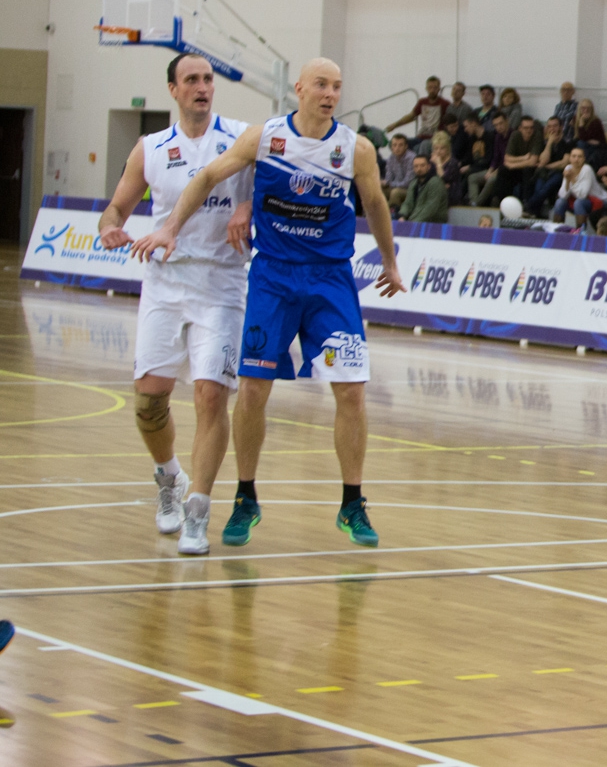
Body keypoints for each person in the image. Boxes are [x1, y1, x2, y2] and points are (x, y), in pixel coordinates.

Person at [132, 58, 405, 549]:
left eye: (337, 87)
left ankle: (352, 502)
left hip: (329, 280)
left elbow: (376, 204)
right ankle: (245, 497)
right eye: (321, 85)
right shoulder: (265, 137)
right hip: (273, 278)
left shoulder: (355, 148)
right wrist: (171, 227)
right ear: (299, 89)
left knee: (351, 391)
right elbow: (209, 176)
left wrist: (389, 261)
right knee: (253, 389)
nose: (330, 94)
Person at [98, 54, 252, 555]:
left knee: (211, 395)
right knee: (148, 402)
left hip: (221, 282)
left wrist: (247, 206)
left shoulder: (242, 137)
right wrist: (109, 227)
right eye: (192, 80)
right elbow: (117, 205)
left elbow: (270, 191)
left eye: (208, 79)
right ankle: (169, 476)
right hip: (164, 282)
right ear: (173, 89)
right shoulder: (151, 147)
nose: (202, 87)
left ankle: (198, 511)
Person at [526, 116, 577, 216]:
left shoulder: (568, 142)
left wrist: (547, 166)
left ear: (561, 127)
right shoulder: (545, 142)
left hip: (561, 173)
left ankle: (528, 207)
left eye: (555, 126)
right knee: (538, 189)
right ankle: (536, 215)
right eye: (549, 126)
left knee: (545, 189)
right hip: (544, 172)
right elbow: (542, 161)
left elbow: (564, 163)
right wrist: (549, 143)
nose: (552, 129)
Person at [385, 75, 450, 145]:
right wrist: (394, 125)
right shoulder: (422, 102)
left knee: (423, 145)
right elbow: (411, 116)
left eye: (435, 88)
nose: (432, 90)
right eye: (430, 87)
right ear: (426, 88)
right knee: (394, 144)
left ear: (439, 89)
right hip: (421, 136)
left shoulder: (445, 104)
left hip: (435, 139)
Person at [550, 147, 601, 228]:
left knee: (578, 203)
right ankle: (556, 229)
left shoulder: (587, 169)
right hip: (575, 200)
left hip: (593, 201)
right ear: (570, 158)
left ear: (584, 159)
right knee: (559, 202)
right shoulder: (568, 168)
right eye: (574, 156)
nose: (576, 159)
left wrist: (572, 180)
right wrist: (567, 181)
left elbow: (582, 195)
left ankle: (580, 231)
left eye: (579, 156)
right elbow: (562, 195)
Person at [469, 112, 512, 205]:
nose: (499, 127)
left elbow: (509, 159)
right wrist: (490, 170)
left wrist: (494, 172)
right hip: (496, 168)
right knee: (472, 178)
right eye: (495, 125)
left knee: (491, 179)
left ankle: (477, 204)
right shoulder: (497, 137)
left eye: (501, 123)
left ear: (507, 121)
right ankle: (473, 201)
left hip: (507, 170)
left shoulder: (513, 136)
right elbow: (495, 157)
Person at [398, 151, 449, 223]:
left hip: (434, 223)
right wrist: (402, 216)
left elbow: (430, 209)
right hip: (415, 220)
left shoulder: (435, 182)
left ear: (428, 167)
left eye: (422, 165)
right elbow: (408, 203)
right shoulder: (413, 183)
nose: (419, 169)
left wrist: (411, 222)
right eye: (416, 166)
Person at [429, 130, 463, 205]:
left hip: (451, 195)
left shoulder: (453, 163)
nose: (438, 151)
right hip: (436, 192)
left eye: (442, 148)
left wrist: (438, 164)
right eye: (436, 148)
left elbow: (445, 178)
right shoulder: (432, 162)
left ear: (448, 148)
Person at [382, 134, 414, 212]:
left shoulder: (411, 158)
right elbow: (389, 177)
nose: (397, 148)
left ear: (406, 146)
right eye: (394, 145)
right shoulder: (391, 158)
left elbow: (407, 183)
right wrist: (384, 183)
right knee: (379, 189)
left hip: (409, 189)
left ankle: (392, 215)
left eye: (400, 145)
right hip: (395, 186)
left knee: (395, 192)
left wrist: (389, 183)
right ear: (391, 147)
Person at [573, 98, 607, 167]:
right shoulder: (575, 119)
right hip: (585, 146)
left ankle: (584, 165)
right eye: (583, 108)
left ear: (592, 110)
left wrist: (581, 124)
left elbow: (583, 137)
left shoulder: (596, 121)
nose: (586, 110)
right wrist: (587, 140)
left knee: (581, 143)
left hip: (598, 147)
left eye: (588, 108)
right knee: (578, 144)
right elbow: (578, 138)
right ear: (579, 109)